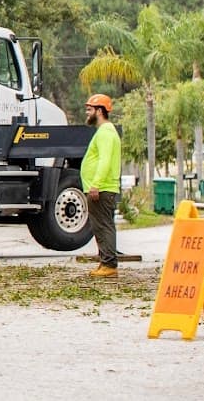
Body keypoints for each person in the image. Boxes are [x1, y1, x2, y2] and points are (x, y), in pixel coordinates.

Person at [81, 93, 122, 278]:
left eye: (89, 110)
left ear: (99, 111)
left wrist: (95, 185)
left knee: (103, 226)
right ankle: (105, 262)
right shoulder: (106, 132)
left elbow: (105, 161)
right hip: (103, 187)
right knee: (101, 226)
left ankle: (109, 264)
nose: (87, 113)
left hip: (102, 188)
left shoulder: (105, 132)